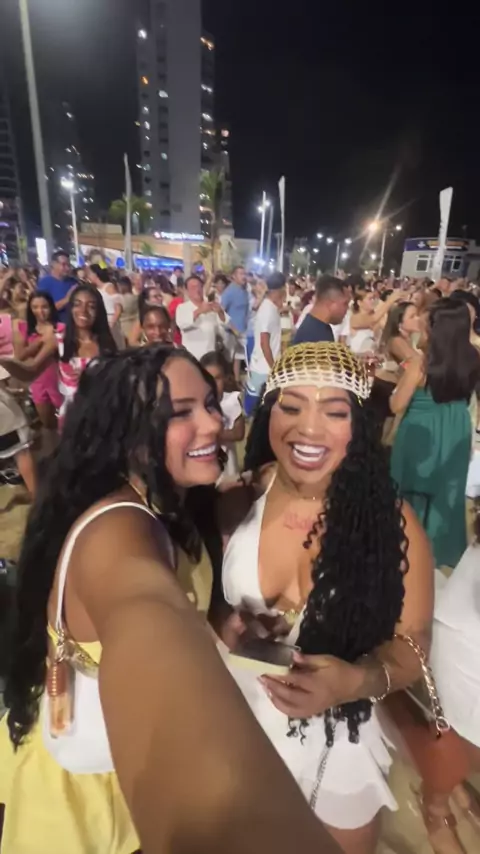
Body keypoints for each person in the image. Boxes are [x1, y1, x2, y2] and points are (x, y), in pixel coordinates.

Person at [0, 345, 340, 854]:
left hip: (125, 778)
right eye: (180, 413)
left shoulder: (173, 503)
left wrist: (222, 620)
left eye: (210, 403)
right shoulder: (117, 530)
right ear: (128, 435)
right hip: (84, 802)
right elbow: (144, 608)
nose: (213, 423)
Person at [216, 342, 433, 854]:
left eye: (334, 412)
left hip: (340, 745)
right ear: (269, 414)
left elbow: (413, 644)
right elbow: (206, 600)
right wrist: (225, 626)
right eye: (291, 407)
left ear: (358, 424)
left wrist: (353, 681)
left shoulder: (392, 524)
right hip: (236, 728)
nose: (308, 429)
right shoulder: (236, 499)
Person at [390, 298, 480, 568]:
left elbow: (396, 405)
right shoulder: (474, 357)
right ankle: (438, 554)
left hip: (422, 432)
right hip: (457, 430)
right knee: (447, 494)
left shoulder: (421, 364)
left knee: (411, 496)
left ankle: (407, 552)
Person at [1, 285, 117, 430]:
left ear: (99, 311)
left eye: (91, 306)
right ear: (71, 308)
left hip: (103, 417)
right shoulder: (59, 340)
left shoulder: (107, 343)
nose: (83, 311)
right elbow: (31, 370)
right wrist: (4, 362)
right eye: (77, 304)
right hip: (72, 421)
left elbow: (117, 383)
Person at [15, 291, 64, 443]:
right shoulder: (24, 328)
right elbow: (20, 356)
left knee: (67, 421)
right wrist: (41, 341)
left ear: (51, 307)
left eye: (44, 307)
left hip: (59, 381)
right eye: (35, 307)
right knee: (47, 422)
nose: (40, 311)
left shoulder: (61, 327)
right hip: (38, 382)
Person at [245, 272, 285, 415]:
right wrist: (273, 367)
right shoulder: (267, 310)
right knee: (257, 409)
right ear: (281, 289)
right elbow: (264, 342)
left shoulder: (271, 307)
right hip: (263, 368)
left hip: (265, 366)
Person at [201, 351, 245, 477]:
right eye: (208, 378)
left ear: (225, 378)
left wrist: (213, 434)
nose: (213, 383)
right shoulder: (199, 403)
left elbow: (239, 433)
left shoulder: (231, 401)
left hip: (228, 466)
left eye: (217, 378)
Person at [176, 274, 227, 361]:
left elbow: (222, 326)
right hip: (192, 357)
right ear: (187, 291)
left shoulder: (211, 305)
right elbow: (182, 324)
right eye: (193, 287)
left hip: (211, 355)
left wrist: (220, 312)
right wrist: (199, 311)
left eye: (199, 286)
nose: (197, 290)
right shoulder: (182, 308)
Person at [292, 275, 349, 346]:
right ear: (330, 303)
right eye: (345, 303)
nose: (347, 308)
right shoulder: (315, 337)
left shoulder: (318, 328)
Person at [348, 289, 402, 355]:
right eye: (370, 299)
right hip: (357, 357)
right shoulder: (354, 318)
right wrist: (390, 300)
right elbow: (373, 319)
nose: (373, 301)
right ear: (359, 302)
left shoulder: (378, 318)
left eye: (373, 298)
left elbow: (387, 332)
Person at [221, 266, 250, 382]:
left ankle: (236, 382)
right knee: (228, 360)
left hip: (242, 332)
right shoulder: (229, 292)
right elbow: (221, 312)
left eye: (244, 274)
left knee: (238, 358)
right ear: (234, 276)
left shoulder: (244, 291)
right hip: (230, 332)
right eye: (241, 274)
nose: (244, 276)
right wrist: (232, 328)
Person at [88, 264, 124, 350]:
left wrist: (111, 323)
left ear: (95, 274)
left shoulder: (109, 286)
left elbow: (118, 308)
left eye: (89, 273)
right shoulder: (95, 289)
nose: (88, 276)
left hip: (111, 321)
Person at [38, 251, 76, 322]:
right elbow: (43, 310)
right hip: (55, 325)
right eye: (64, 264)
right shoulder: (44, 283)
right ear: (54, 264)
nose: (67, 268)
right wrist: (66, 299)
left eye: (68, 265)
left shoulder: (73, 281)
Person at [380, 301, 420, 369]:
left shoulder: (412, 339)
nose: (418, 319)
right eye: (412, 317)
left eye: (418, 315)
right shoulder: (396, 340)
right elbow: (416, 361)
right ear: (400, 324)